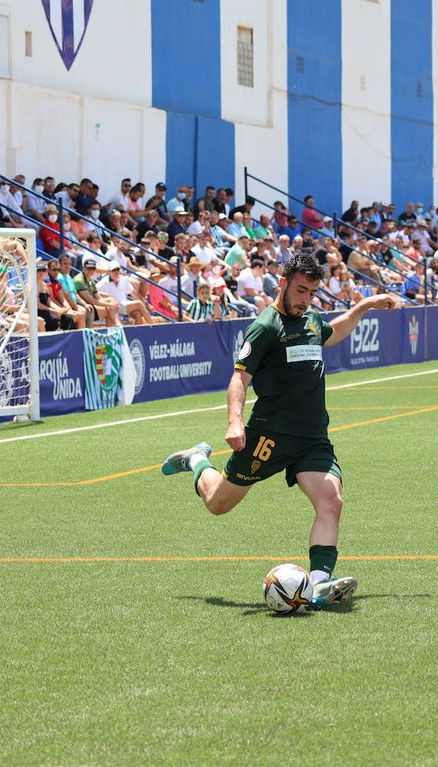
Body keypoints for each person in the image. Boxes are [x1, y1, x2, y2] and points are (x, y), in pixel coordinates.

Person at [160, 252, 400, 609]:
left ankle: (318, 585)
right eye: (301, 290)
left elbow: (335, 332)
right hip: (268, 437)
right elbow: (239, 377)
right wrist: (234, 421)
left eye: (312, 293)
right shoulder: (265, 327)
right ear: (283, 283)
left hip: (312, 438)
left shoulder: (312, 320)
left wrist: (365, 305)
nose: (306, 299)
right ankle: (197, 460)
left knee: (331, 500)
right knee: (217, 504)